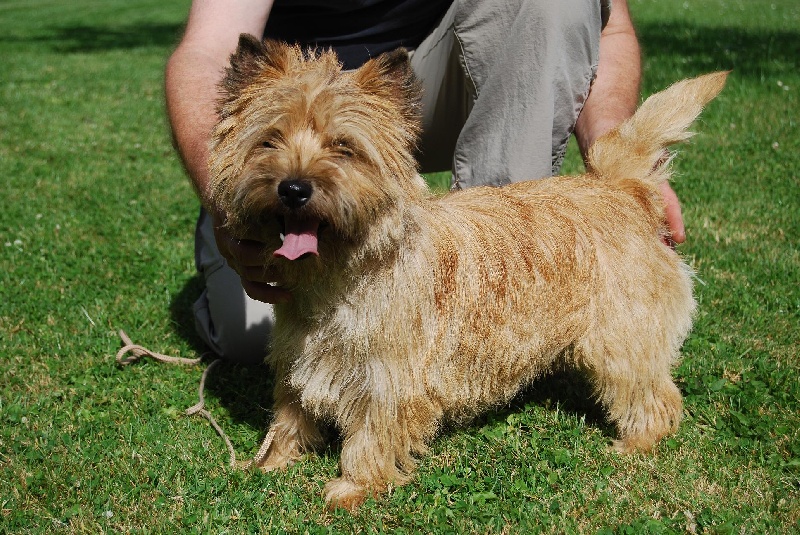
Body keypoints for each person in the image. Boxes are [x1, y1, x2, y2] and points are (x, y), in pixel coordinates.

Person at [165, 0, 686, 363]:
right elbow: (208, 48)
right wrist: (223, 201)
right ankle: (259, 215)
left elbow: (607, 23)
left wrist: (619, 154)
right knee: (252, 338)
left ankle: (498, 290)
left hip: (434, 73)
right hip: (285, 97)